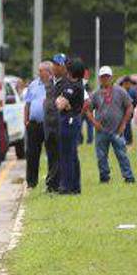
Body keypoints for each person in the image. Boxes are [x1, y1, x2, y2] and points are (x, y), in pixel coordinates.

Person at [88, 66, 135, 184]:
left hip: (117, 130)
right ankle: (104, 178)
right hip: (101, 131)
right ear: (99, 78)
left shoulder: (120, 91)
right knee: (101, 156)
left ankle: (128, 177)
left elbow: (130, 106)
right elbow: (87, 109)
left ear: (111, 77)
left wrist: (124, 123)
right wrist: (94, 122)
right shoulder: (96, 93)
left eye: (107, 77)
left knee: (122, 154)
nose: (105, 79)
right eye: (103, 77)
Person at [54, 56, 86, 194]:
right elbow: (62, 102)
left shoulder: (73, 86)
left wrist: (62, 100)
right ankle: (74, 186)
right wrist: (63, 101)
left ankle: (67, 186)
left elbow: (60, 105)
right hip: (70, 118)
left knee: (67, 153)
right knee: (71, 153)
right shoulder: (74, 83)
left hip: (70, 120)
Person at [22, 61, 51, 188]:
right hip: (34, 124)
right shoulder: (33, 85)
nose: (39, 73)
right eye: (39, 70)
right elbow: (27, 104)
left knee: (52, 152)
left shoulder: (54, 85)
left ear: (48, 72)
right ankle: (31, 181)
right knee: (32, 153)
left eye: (41, 70)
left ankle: (52, 181)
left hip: (49, 123)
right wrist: (26, 120)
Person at [43, 54, 67, 193]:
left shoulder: (67, 82)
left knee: (60, 154)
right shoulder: (50, 82)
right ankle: (51, 183)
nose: (56, 67)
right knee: (51, 154)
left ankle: (59, 184)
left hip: (60, 123)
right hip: (49, 123)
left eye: (59, 65)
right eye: (55, 64)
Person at [119, 76, 137, 145]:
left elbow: (136, 102)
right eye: (125, 83)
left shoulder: (133, 91)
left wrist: (133, 110)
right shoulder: (121, 91)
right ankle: (123, 139)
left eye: (128, 83)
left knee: (127, 125)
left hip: (129, 112)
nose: (127, 85)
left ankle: (128, 140)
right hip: (121, 112)